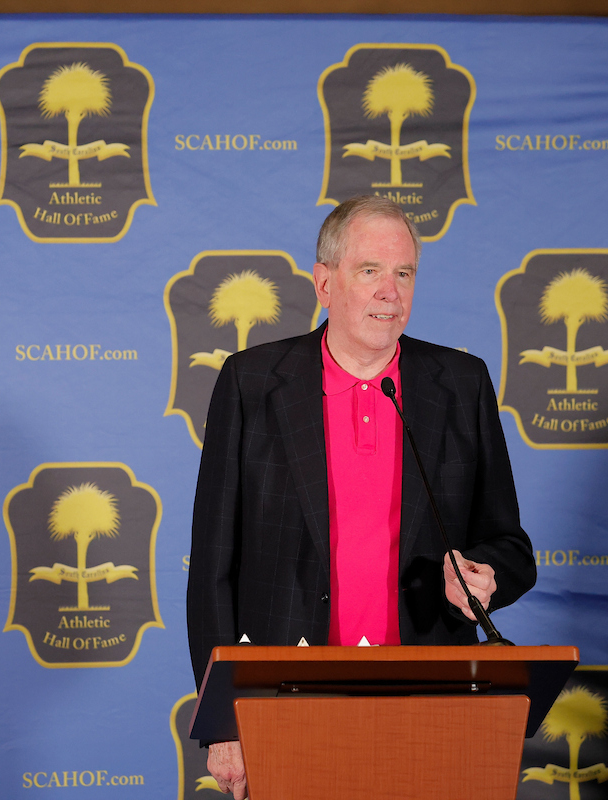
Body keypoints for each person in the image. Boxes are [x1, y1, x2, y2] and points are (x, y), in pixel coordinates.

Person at [186, 195, 537, 798]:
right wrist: (223, 723)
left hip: (430, 700)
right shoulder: (251, 383)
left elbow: (510, 546)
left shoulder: (462, 383)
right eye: (369, 270)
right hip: (285, 702)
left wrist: (485, 577)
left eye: (404, 273)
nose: (389, 292)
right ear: (325, 283)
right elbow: (213, 568)